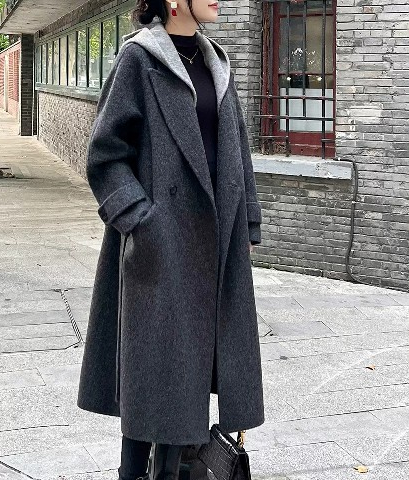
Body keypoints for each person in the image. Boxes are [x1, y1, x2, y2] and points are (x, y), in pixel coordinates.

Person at [76, 0, 266, 478]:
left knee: (187, 381)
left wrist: (247, 225)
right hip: (163, 251)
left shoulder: (216, 61)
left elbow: (237, 149)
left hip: (217, 246)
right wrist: (142, 221)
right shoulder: (139, 59)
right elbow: (105, 154)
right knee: (155, 385)